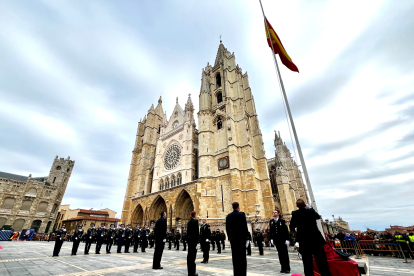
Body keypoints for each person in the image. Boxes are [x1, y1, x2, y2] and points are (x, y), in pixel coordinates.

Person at [290, 199, 331, 276]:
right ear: (305, 205)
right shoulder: (311, 211)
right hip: (316, 239)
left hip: (304, 241)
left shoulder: (295, 213)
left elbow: (292, 226)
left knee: (307, 263)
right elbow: (318, 217)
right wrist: (309, 209)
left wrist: (296, 233)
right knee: (321, 261)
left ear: (296, 206)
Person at [226, 202, 249, 276]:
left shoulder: (228, 216)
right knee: (242, 258)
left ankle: (236, 274)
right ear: (238, 207)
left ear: (232, 207)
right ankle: (242, 274)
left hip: (233, 240)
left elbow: (227, 229)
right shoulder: (242, 214)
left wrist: (230, 238)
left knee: (235, 258)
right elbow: (244, 227)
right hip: (241, 239)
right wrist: (247, 238)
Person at [187, 211, 200, 276]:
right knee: (193, 257)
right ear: (194, 215)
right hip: (194, 241)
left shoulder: (189, 222)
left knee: (189, 257)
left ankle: (189, 272)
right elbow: (197, 232)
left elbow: (188, 232)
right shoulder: (195, 222)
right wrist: (198, 242)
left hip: (189, 241)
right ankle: (192, 272)